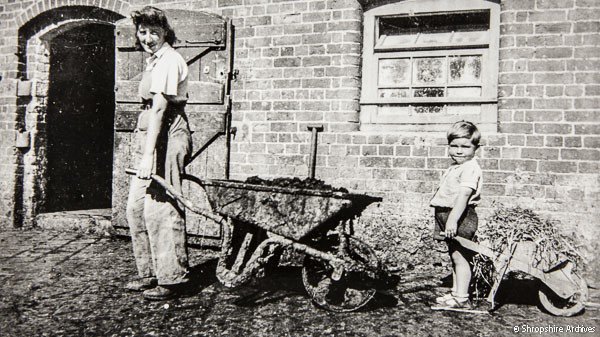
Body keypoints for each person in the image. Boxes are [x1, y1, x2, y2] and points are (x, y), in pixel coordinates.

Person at [124, 6, 192, 301]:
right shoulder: (153, 62)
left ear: (166, 33)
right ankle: (148, 273)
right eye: (142, 32)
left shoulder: (170, 60)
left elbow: (161, 108)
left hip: (168, 134)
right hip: (151, 133)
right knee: (135, 208)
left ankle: (172, 278)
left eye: (154, 32)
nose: (148, 38)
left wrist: (149, 155)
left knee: (161, 208)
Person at [430, 121, 482, 309]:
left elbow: (464, 195)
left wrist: (452, 220)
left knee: (461, 257)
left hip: (461, 217)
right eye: (454, 146)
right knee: (454, 256)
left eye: (465, 147)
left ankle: (461, 297)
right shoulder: (456, 167)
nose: (459, 151)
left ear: (476, 148)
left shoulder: (470, 168)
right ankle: (456, 293)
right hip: (449, 215)